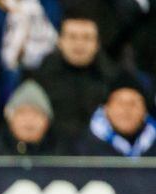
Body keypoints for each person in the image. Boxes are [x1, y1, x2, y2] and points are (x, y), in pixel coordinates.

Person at [30, 9, 121, 143]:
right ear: (59, 41)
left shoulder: (113, 78)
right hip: (53, 151)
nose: (79, 44)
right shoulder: (41, 77)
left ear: (97, 44)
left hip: (100, 152)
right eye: (72, 37)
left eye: (87, 38)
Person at [74, 74, 156, 157]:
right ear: (106, 108)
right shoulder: (80, 148)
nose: (126, 110)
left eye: (133, 103)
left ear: (145, 110)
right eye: (120, 103)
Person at [0, 79, 59, 155]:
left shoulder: (62, 151)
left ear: (47, 120)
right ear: (10, 118)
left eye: (36, 114)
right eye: (22, 113)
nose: (29, 120)